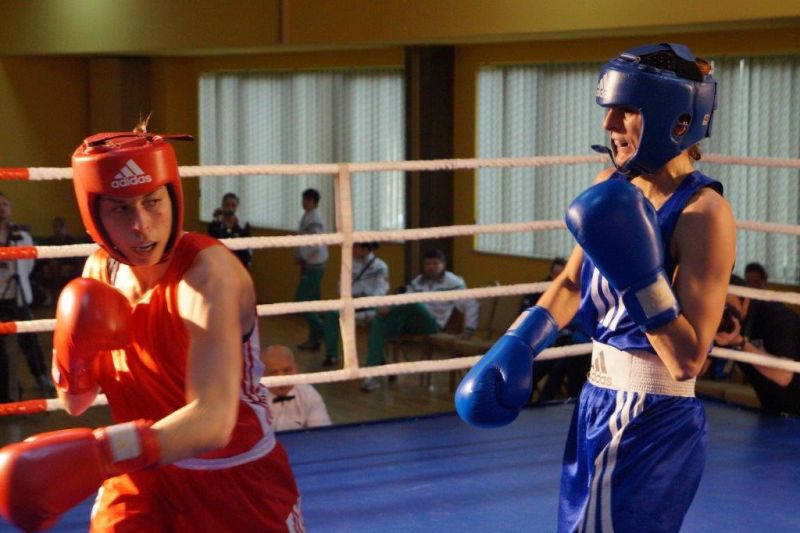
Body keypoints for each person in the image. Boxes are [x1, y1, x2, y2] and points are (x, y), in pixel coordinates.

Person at [456, 43, 736, 532]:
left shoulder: (703, 215)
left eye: (626, 111)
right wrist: (518, 343)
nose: (609, 125)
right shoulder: (611, 185)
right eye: (609, 109)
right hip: (596, 400)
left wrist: (640, 279)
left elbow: (688, 359)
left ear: (675, 119)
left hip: (650, 412)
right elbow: (570, 283)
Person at [0, 129, 304, 531]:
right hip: (139, 473)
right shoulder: (98, 274)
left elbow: (214, 422)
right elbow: (75, 402)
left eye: (152, 202)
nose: (141, 225)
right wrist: (74, 355)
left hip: (232, 476)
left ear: (173, 198)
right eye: (120, 209)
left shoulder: (209, 276)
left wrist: (101, 454)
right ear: (94, 215)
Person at [363, 248, 479, 391]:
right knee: (378, 322)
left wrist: (469, 329)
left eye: (435, 264)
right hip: (410, 321)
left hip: (432, 324)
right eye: (427, 264)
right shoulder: (418, 281)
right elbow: (403, 300)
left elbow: (471, 304)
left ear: (443, 265)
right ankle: (370, 377)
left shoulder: (453, 282)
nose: (431, 267)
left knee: (412, 304)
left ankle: (378, 364)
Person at [714, 275, 800, 415]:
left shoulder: (776, 317)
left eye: (727, 304)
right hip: (773, 411)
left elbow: (784, 376)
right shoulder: (722, 324)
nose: (722, 311)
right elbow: (702, 367)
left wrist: (740, 343)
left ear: (745, 302)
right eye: (717, 305)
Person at [0, 193, 51, 400]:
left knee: (30, 341)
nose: (2, 208)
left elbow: (29, 264)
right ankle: (8, 389)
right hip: (0, 297)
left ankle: (41, 376)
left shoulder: (21, 235)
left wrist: (17, 277)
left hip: (19, 295)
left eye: (5, 204)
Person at [321, 242, 389, 366]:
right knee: (331, 314)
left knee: (377, 323)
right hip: (352, 304)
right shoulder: (349, 265)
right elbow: (340, 287)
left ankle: (378, 358)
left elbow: (381, 289)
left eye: (356, 247)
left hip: (370, 305)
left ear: (366, 248)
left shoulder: (380, 266)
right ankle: (331, 355)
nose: (353, 250)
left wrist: (367, 299)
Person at [261, 344, 332, 431]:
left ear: (296, 368)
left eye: (287, 371)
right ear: (260, 373)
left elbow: (322, 433)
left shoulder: (308, 394)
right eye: (273, 373)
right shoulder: (252, 399)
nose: (281, 379)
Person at [294, 188, 328, 351]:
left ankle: (324, 331)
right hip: (310, 265)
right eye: (303, 199)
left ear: (314, 202)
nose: (304, 202)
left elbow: (315, 243)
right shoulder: (307, 216)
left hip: (314, 266)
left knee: (302, 301)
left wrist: (303, 257)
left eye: (307, 200)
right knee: (313, 303)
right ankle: (314, 340)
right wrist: (298, 255)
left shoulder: (314, 219)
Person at [34, 216, 83, 306]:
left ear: (66, 228)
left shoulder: (72, 241)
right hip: (52, 267)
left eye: (61, 226)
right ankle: (50, 296)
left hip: (66, 266)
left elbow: (76, 258)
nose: (58, 229)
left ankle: (61, 296)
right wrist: (47, 264)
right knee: (47, 269)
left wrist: (63, 265)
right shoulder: (49, 241)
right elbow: (43, 256)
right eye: (55, 227)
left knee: (63, 269)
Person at [207, 192, 253, 268]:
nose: (230, 208)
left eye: (233, 205)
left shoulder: (243, 226)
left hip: (238, 264)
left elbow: (247, 248)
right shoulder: (214, 225)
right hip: (220, 263)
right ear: (222, 205)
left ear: (237, 206)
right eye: (227, 205)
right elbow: (212, 247)